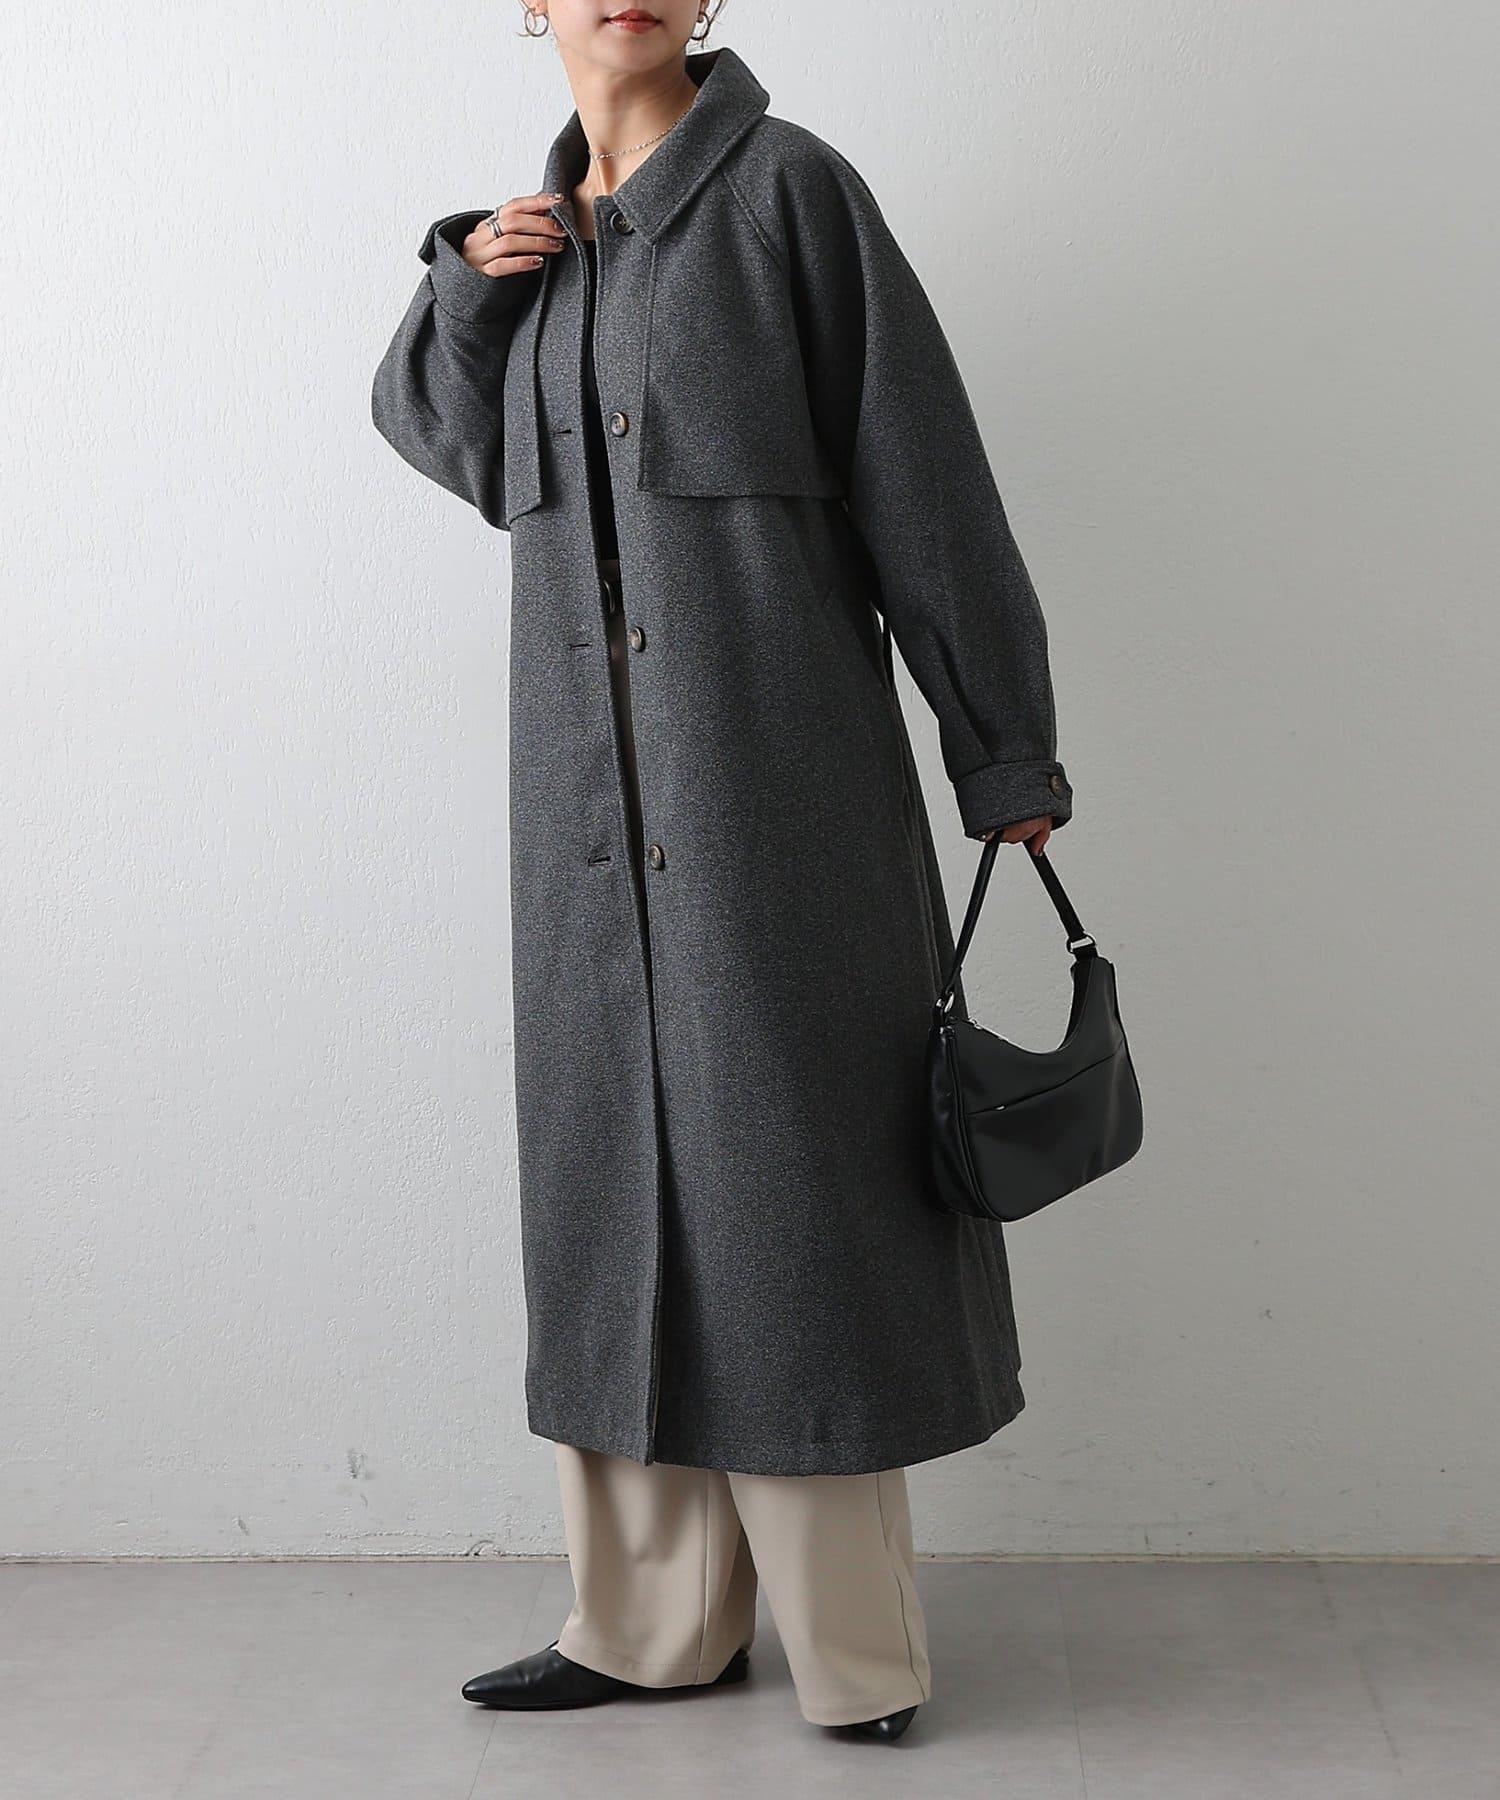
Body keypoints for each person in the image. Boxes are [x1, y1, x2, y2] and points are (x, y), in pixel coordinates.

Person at [371, 0, 1072, 1746]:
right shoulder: (521, 249)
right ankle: (646, 1626)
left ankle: (853, 1653)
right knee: (611, 1183)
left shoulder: (791, 196)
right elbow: (449, 444)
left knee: (799, 1200)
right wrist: (469, 287)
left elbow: (927, 481)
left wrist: (1002, 749)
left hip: (779, 809)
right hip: (580, 830)